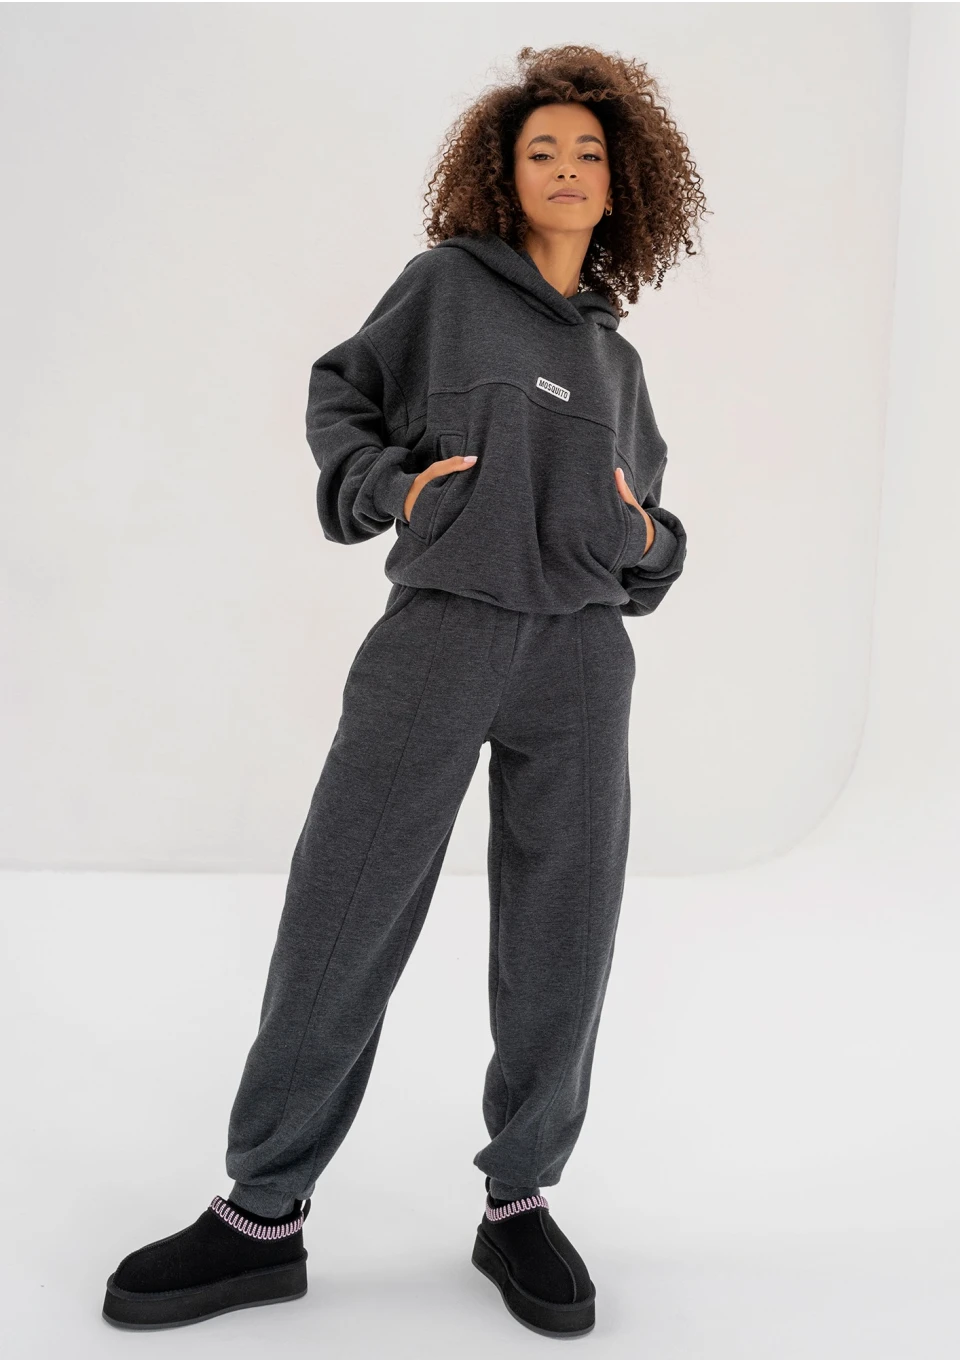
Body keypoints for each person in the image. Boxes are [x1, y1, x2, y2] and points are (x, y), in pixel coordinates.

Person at [102, 42, 706, 1339]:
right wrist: (392, 488)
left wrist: (644, 539)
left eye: (588, 153)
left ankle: (519, 1201)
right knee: (348, 900)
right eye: (541, 149)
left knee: (565, 934)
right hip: (441, 632)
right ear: (504, 171)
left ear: (622, 185)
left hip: (581, 659)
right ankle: (261, 1214)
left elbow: (652, 536)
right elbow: (342, 394)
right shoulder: (445, 290)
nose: (566, 167)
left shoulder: (619, 366)